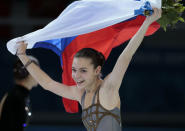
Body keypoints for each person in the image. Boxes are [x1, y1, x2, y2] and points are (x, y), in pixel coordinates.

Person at [14, 8, 161, 131]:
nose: (76, 76)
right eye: (74, 69)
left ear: (97, 70)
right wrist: (22, 55)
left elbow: (125, 57)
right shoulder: (80, 94)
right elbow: (48, 84)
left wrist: (147, 21)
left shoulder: (107, 90)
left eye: (83, 70)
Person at [0, 56, 39, 131]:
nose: (40, 75)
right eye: (37, 71)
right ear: (28, 73)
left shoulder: (18, 95)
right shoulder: (16, 97)